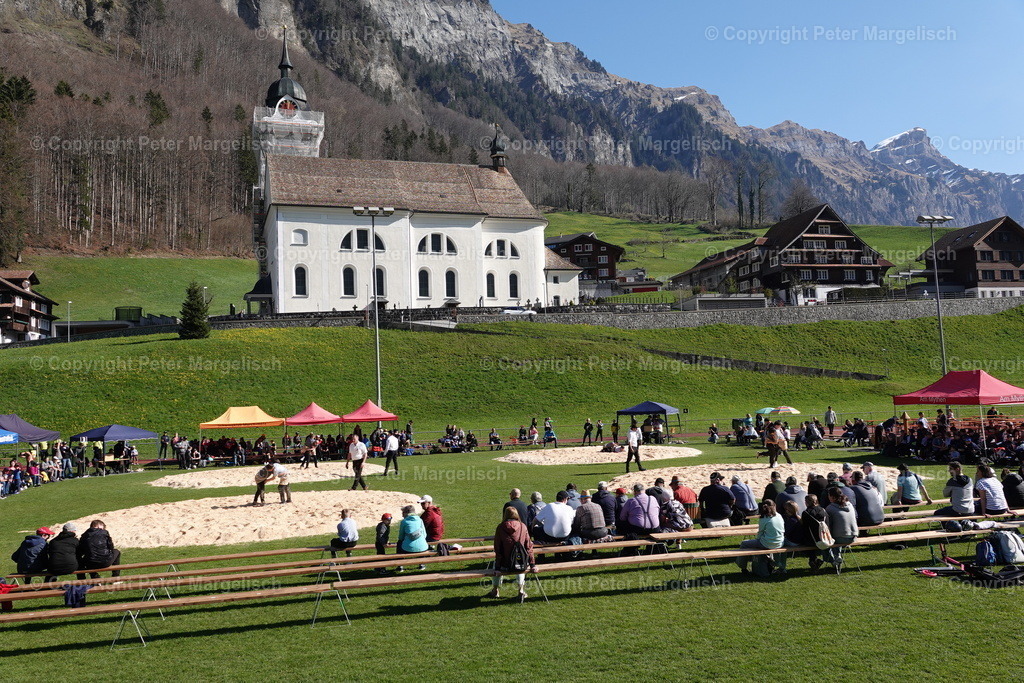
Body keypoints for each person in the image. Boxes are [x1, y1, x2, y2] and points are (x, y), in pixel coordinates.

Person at [487, 507, 536, 600]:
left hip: (505, 564)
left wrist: (497, 567)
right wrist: (532, 564)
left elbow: (498, 549)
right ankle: (521, 590)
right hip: (521, 563)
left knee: (495, 566)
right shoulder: (522, 526)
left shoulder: (500, 527)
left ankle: (495, 590)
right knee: (521, 563)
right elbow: (529, 547)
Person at [736, 500, 784, 574]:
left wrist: (758, 540)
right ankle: (771, 563)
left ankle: (743, 567)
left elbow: (760, 533)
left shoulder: (764, 518)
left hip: (767, 543)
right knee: (758, 543)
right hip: (780, 543)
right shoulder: (779, 516)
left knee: (744, 544)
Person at [825, 489, 857, 568]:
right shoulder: (849, 504)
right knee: (838, 532)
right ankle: (837, 555)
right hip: (853, 536)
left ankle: (833, 559)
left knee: (825, 540)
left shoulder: (830, 508)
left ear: (832, 497)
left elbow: (828, 525)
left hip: (841, 537)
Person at [801, 494, 828, 571]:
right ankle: (814, 561)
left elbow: (805, 528)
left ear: (806, 502)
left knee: (807, 539)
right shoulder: (823, 510)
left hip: (812, 539)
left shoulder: (806, 513)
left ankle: (813, 560)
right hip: (824, 537)